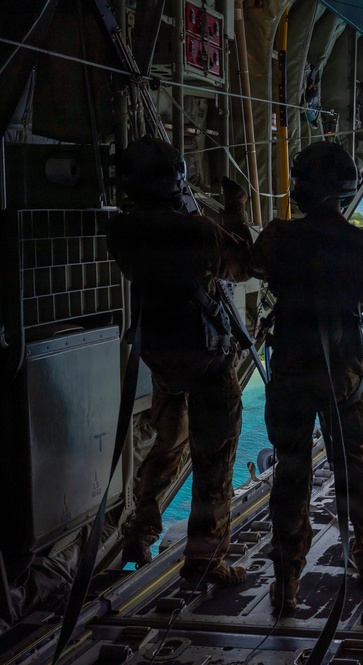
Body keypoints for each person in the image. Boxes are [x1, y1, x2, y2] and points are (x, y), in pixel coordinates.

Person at [250, 140, 363, 612]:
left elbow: (251, 264)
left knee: (291, 472)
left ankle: (286, 580)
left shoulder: (279, 238)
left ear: (301, 191)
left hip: (288, 376)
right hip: (344, 379)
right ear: (345, 194)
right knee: (354, 469)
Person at [108, 136, 253, 587]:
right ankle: (205, 560)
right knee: (214, 461)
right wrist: (235, 209)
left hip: (162, 357)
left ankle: (140, 534)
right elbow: (242, 264)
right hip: (208, 361)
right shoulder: (198, 231)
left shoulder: (123, 232)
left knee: (167, 446)